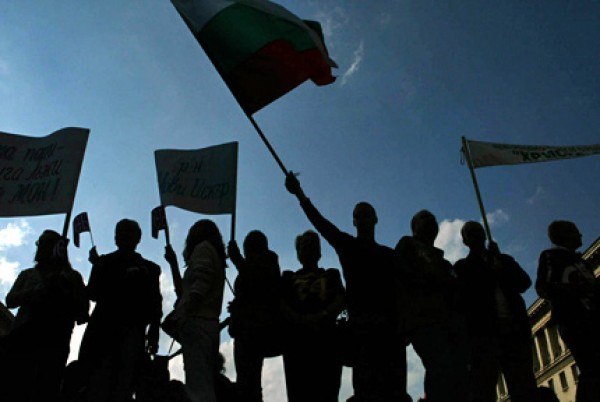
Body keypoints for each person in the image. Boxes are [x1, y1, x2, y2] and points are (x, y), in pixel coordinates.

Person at [285, 174, 410, 402]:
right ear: (353, 221)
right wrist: (300, 195)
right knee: (366, 392)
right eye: (358, 215)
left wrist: (404, 324)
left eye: (366, 214)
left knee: (395, 392)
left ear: (375, 219)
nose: (362, 219)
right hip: (363, 331)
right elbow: (321, 223)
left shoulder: (388, 255)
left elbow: (401, 291)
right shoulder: (348, 246)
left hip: (390, 332)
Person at [79, 219, 162, 402]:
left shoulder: (150, 269)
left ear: (138, 238)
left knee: (120, 384)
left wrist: (154, 331)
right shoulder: (105, 262)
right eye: (122, 232)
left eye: (128, 232)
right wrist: (98, 267)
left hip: (128, 332)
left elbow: (155, 303)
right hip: (105, 331)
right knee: (101, 383)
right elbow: (93, 293)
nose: (124, 236)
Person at [454, 221, 537, 402]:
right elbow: (461, 300)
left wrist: (500, 262)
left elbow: (524, 283)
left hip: (515, 331)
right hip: (485, 336)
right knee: (484, 388)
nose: (476, 235)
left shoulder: (503, 260)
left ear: (484, 235)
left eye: (478, 231)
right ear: (465, 241)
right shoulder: (463, 267)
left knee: (523, 385)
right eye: (470, 233)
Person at [2, 230, 88, 402]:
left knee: (45, 389)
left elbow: (82, 313)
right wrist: (35, 291)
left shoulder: (72, 277)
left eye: (46, 244)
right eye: (40, 243)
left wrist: (64, 290)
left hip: (55, 341)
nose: (41, 248)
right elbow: (10, 300)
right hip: (23, 338)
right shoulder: (28, 274)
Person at [394, 210, 467, 402]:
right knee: (440, 367)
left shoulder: (444, 263)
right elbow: (401, 277)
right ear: (414, 227)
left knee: (457, 372)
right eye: (424, 218)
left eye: (433, 219)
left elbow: (456, 291)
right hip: (423, 320)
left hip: (449, 323)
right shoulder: (407, 245)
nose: (430, 221)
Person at [536, 221, 600, 402]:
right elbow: (543, 287)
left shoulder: (581, 261)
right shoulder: (551, 256)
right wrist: (572, 289)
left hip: (593, 317)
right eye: (575, 231)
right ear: (565, 235)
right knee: (591, 368)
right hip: (574, 319)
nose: (580, 235)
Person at [280, 230, 345, 402]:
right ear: (298, 253)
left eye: (312, 244)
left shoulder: (331, 274)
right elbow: (280, 303)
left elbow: (341, 299)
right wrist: (300, 319)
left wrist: (322, 315)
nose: (308, 247)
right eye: (304, 245)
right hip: (297, 345)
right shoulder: (288, 277)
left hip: (326, 342)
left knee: (327, 393)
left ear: (319, 251)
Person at [165, 220, 226, 402]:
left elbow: (200, 284)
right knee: (201, 383)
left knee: (198, 387)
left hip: (198, 322)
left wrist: (185, 312)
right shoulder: (213, 253)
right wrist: (174, 264)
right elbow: (186, 291)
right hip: (206, 323)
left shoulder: (203, 249)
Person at [227, 230, 281, 402]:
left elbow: (262, 286)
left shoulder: (269, 261)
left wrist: (238, 261)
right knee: (246, 382)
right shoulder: (250, 265)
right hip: (243, 330)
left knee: (249, 384)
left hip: (255, 329)